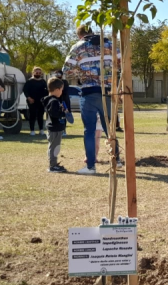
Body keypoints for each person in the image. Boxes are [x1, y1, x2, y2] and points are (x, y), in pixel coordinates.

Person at [62, 25, 121, 175]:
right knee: (110, 129)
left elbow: (66, 70)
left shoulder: (78, 46)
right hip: (107, 91)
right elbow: (121, 62)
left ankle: (90, 166)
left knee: (89, 130)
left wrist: (82, 72)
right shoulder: (109, 44)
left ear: (80, 35)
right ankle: (117, 160)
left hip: (89, 92)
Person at [43, 77, 67, 173]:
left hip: (55, 127)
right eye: (61, 89)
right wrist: (63, 112)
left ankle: (54, 164)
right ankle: (52, 166)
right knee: (54, 147)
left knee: (54, 146)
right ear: (57, 90)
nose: (62, 91)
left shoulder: (52, 100)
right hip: (54, 128)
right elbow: (54, 114)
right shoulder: (53, 101)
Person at [23, 67, 48, 137]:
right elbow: (25, 90)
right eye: (36, 73)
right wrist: (29, 98)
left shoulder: (43, 81)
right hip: (32, 101)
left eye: (39, 73)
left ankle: (41, 130)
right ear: (33, 73)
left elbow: (46, 91)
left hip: (41, 101)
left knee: (41, 116)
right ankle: (32, 130)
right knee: (32, 116)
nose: (38, 74)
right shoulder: (29, 81)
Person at [53, 69, 71, 136]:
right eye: (56, 74)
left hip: (63, 101)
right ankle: (55, 129)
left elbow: (65, 92)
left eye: (59, 74)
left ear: (62, 75)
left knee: (63, 116)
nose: (58, 76)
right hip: (55, 100)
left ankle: (63, 130)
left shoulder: (65, 82)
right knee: (55, 116)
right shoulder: (52, 82)